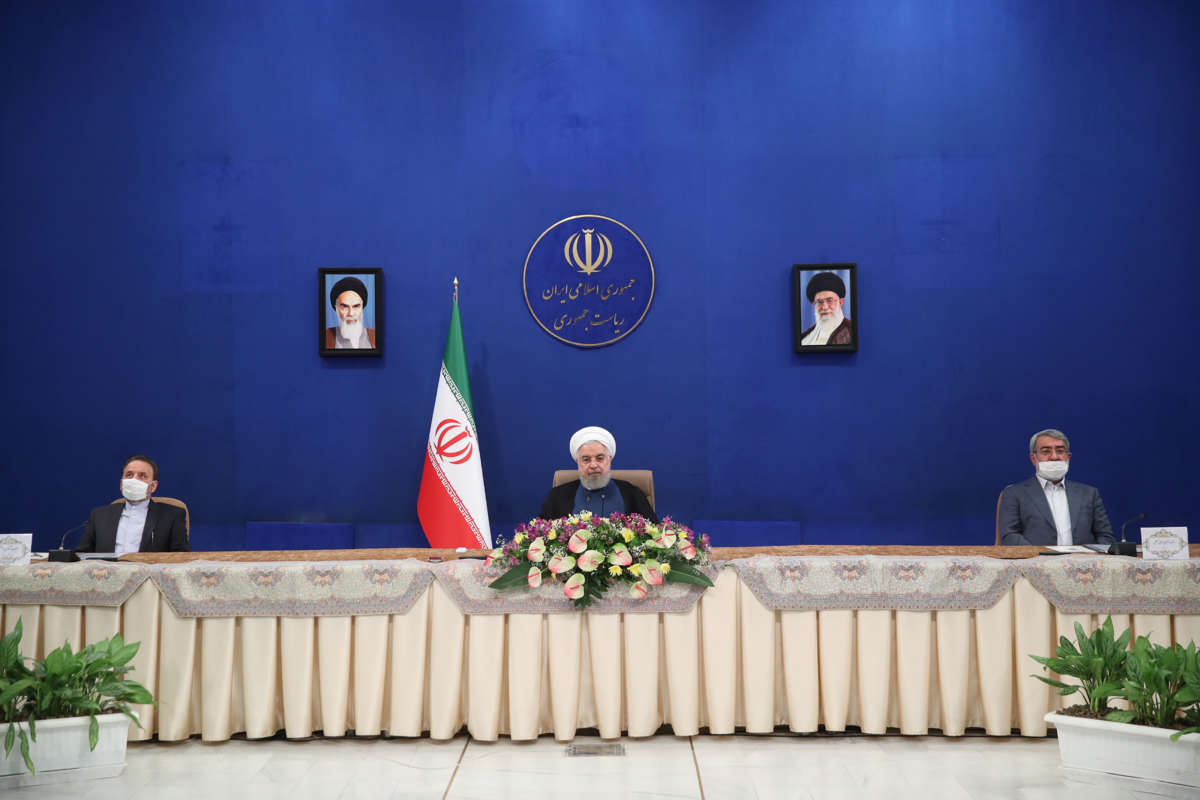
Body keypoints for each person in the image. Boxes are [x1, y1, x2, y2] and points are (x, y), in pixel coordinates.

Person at [997, 429, 1115, 547]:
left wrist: (1091, 558)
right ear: (1033, 459)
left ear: (1068, 457)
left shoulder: (1089, 493)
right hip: (1035, 562)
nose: (1054, 457)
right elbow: (1009, 535)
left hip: (1083, 562)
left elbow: (1105, 536)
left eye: (1060, 451)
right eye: (1046, 451)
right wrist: (1038, 557)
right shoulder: (1014, 493)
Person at [539, 426, 658, 522]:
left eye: (599, 458)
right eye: (586, 459)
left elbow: (654, 534)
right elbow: (540, 535)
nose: (593, 465)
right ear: (578, 462)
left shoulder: (632, 493)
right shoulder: (557, 496)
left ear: (609, 459)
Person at [76, 455, 190, 554]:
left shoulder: (172, 516)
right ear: (121, 484)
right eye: (129, 475)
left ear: (153, 486)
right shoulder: (99, 515)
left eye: (142, 476)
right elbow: (82, 556)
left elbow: (181, 558)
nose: (134, 479)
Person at [799, 271, 853, 346]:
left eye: (829, 301)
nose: (824, 307)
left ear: (840, 302)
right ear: (814, 304)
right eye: (820, 302)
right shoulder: (805, 337)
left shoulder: (852, 331)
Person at [325, 276, 377, 349]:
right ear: (336, 308)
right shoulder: (326, 337)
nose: (351, 313)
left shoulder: (376, 336)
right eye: (344, 306)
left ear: (362, 307)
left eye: (356, 306)